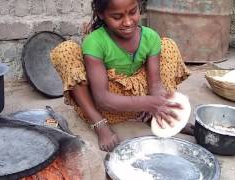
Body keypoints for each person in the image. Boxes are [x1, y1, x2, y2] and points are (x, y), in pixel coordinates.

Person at [50, 0, 193, 152]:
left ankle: (157, 116)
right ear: (101, 14)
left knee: (167, 45)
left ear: (139, 7)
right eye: (117, 17)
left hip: (141, 104)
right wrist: (148, 103)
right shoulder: (95, 42)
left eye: (133, 12)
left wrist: (159, 103)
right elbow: (102, 99)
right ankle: (100, 124)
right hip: (107, 108)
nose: (128, 22)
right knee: (66, 50)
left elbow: (155, 85)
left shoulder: (150, 37)